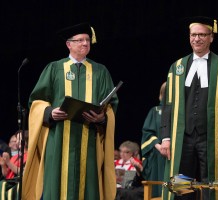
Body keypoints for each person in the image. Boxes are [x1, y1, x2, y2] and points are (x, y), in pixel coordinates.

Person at [22, 23, 118, 200]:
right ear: (69, 44)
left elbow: (111, 105)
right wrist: (50, 112)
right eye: (80, 40)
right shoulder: (54, 68)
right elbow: (36, 102)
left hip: (89, 139)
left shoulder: (100, 71)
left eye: (87, 40)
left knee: (89, 186)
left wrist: (102, 117)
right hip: (59, 139)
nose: (85, 43)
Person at [160, 16, 218, 200]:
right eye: (193, 34)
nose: (197, 39)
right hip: (183, 138)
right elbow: (167, 105)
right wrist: (165, 137)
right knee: (181, 187)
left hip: (210, 138)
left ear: (211, 37)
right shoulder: (177, 67)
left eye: (202, 35)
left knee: (211, 187)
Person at [141, 82, 166, 198]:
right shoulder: (155, 111)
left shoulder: (182, 112)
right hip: (158, 156)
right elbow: (147, 133)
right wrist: (159, 146)